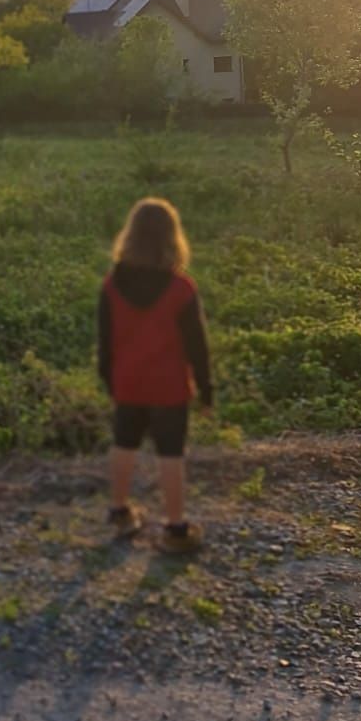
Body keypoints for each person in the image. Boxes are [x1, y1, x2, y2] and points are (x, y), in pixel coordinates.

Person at [97, 195, 213, 552]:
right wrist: (207, 388)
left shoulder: (111, 285)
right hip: (169, 387)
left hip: (128, 382)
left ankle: (119, 512)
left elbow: (105, 340)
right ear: (172, 237)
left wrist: (109, 379)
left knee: (123, 444)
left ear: (129, 235)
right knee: (170, 454)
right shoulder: (182, 289)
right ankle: (175, 530)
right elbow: (197, 346)